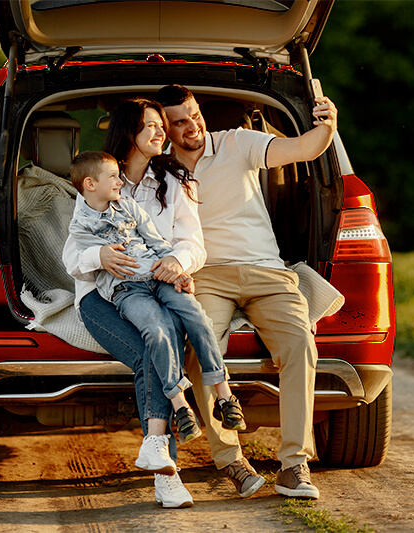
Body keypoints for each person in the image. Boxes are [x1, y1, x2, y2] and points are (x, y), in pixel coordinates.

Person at [62, 99, 265, 509]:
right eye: (151, 126)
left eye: (161, 126)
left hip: (160, 280)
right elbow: (72, 256)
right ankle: (167, 473)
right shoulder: (102, 179)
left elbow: (193, 243)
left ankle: (161, 455)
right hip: (104, 294)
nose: (162, 133)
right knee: (151, 350)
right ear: (128, 134)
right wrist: (97, 258)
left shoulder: (175, 180)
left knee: (168, 334)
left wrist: (177, 261)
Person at [154, 84, 338, 499]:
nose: (192, 126)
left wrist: (327, 126)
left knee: (299, 342)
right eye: (179, 122)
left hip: (266, 272)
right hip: (207, 277)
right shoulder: (159, 171)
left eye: (194, 114)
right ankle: (233, 463)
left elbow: (305, 148)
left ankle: (294, 465)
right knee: (202, 351)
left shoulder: (238, 142)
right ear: (164, 128)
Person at [66, 150, 247, 442]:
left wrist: (178, 270)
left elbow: (157, 243)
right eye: (112, 177)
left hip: (158, 276)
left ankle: (225, 395)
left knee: (197, 317)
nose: (118, 182)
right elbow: (79, 264)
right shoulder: (80, 226)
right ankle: (180, 406)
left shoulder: (128, 206)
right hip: (126, 290)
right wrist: (98, 256)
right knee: (156, 331)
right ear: (90, 184)